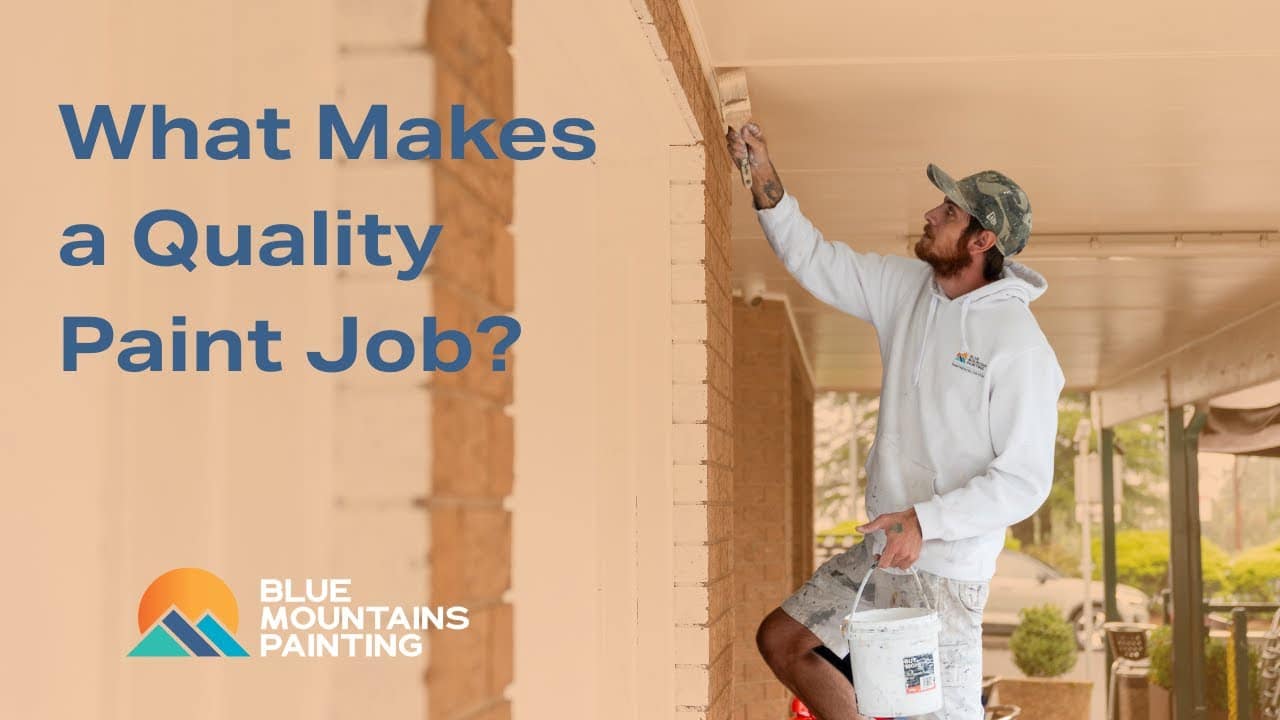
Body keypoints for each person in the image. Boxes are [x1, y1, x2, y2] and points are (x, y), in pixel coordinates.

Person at [726, 122, 1065, 720]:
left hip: (945, 567)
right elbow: (815, 260)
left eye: (950, 212)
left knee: (936, 715)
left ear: (982, 240)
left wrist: (926, 521)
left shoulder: (1020, 347)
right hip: (885, 547)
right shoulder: (909, 289)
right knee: (785, 639)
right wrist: (762, 174)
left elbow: (1024, 481)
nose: (932, 214)